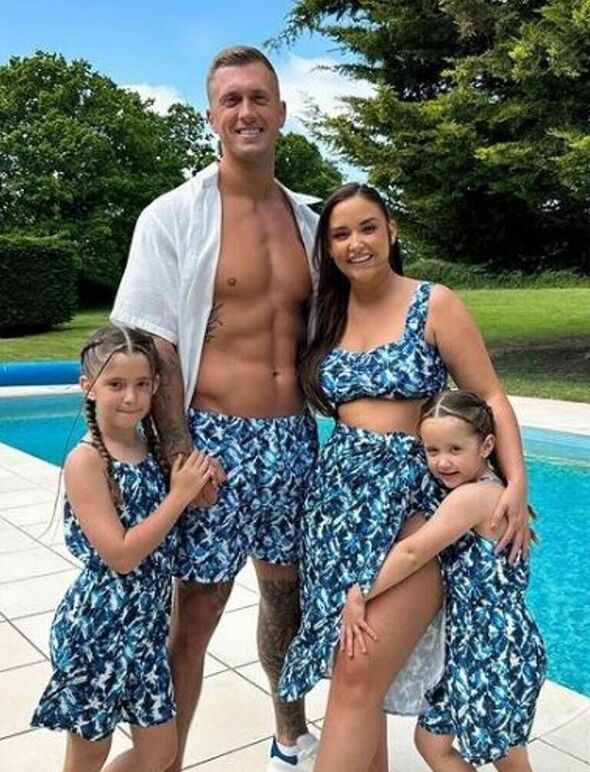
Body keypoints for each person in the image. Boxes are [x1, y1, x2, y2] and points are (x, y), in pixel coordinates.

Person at [111, 46, 320, 771]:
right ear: (211, 116)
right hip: (212, 443)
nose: (246, 112)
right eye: (232, 100)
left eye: (259, 98)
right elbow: (152, 340)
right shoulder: (173, 215)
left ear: (281, 111)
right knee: (195, 615)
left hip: (293, 439)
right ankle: (165, 761)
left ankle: (289, 739)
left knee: (286, 602)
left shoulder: (310, 222)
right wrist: (178, 454)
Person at [278, 183, 531, 772]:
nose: (356, 243)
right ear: (328, 248)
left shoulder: (433, 303)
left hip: (411, 499)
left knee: (357, 672)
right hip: (337, 507)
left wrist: (516, 485)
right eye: (340, 234)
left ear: (391, 231)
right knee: (350, 671)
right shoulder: (326, 313)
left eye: (368, 227)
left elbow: (490, 396)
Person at [31, 325, 214, 772]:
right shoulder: (87, 460)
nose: (131, 397)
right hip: (99, 627)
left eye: (142, 384)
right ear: (88, 387)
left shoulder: (149, 448)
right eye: (116, 384)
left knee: (161, 752)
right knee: (89, 753)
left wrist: (200, 477)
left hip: (147, 626)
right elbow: (122, 554)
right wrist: (178, 496)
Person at [342, 389, 546, 771]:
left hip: (496, 648)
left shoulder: (475, 498)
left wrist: (359, 591)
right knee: (432, 741)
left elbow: (413, 552)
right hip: (470, 646)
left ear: (487, 446)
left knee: (507, 758)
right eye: (432, 450)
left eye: (454, 449)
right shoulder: (481, 489)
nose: (442, 461)